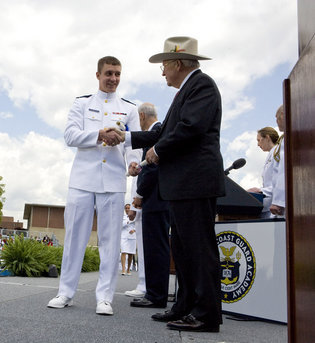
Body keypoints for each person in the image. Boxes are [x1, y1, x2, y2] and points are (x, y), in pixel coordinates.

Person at [119, 37, 225, 332]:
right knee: (183, 248)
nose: (162, 71)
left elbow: (189, 129)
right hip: (182, 185)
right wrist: (126, 137)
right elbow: (163, 132)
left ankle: (205, 314)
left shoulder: (202, 86)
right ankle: (184, 305)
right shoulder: (185, 92)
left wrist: (159, 152)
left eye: (164, 65)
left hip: (195, 182)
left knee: (199, 249)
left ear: (178, 63)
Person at [47, 56, 140, 316]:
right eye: (109, 73)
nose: (113, 79)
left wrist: (133, 164)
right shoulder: (82, 103)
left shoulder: (129, 108)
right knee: (75, 238)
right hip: (82, 180)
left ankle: (105, 298)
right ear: (98, 75)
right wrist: (99, 134)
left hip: (113, 180)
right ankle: (65, 292)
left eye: (117, 74)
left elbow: (134, 144)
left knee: (110, 243)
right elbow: (70, 136)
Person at [129, 102, 171, 310]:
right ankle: (155, 293)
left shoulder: (157, 132)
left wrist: (140, 193)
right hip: (159, 198)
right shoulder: (158, 131)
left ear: (143, 116)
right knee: (155, 246)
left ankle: (156, 295)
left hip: (157, 198)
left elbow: (153, 167)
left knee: (156, 247)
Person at [247, 126, 280, 218]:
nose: (258, 144)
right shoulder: (271, 154)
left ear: (267, 138)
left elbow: (281, 181)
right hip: (267, 204)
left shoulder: (278, 153)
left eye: (259, 140)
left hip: (276, 206)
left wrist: (261, 190)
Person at [270, 105, 286, 217]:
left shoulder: (288, 137)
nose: (276, 122)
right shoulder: (283, 139)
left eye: (277, 118)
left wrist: (279, 201)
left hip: (284, 201)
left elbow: (284, 169)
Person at [121, 204, 137, 275]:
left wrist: (134, 230)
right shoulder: (122, 217)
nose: (127, 209)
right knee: (123, 251)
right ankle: (123, 269)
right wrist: (128, 222)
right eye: (126, 208)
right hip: (124, 236)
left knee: (130, 253)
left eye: (128, 208)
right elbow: (120, 225)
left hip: (132, 237)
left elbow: (138, 224)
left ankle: (128, 270)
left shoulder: (135, 216)